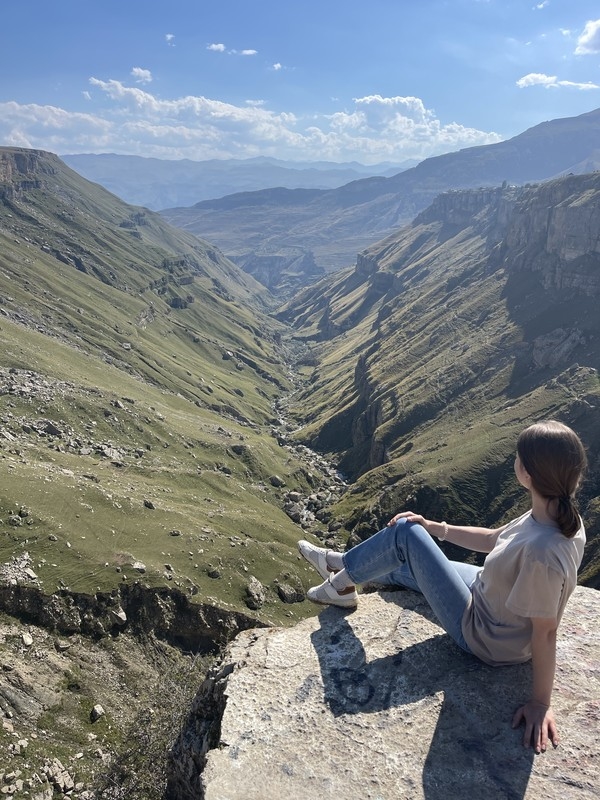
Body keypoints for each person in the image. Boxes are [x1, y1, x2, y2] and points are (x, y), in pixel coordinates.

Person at [298, 420, 587, 754]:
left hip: (484, 634)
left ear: (527, 472)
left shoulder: (541, 552)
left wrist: (540, 703)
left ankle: (340, 584)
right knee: (404, 555)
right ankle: (340, 564)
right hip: (488, 594)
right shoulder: (553, 512)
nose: (514, 461)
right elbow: (493, 539)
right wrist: (434, 527)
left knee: (405, 533)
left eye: (518, 456)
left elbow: (546, 632)